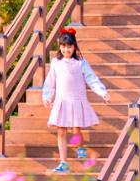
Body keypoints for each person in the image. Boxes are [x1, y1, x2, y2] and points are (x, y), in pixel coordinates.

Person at [40, 27, 108, 172]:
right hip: (61, 101)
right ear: (59, 47)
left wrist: (102, 92)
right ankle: (64, 162)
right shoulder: (56, 63)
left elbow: (91, 78)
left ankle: (80, 146)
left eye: (69, 46)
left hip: (77, 99)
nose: (66, 50)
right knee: (61, 131)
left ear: (74, 47)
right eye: (63, 47)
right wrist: (47, 96)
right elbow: (50, 81)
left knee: (76, 128)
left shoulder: (81, 63)